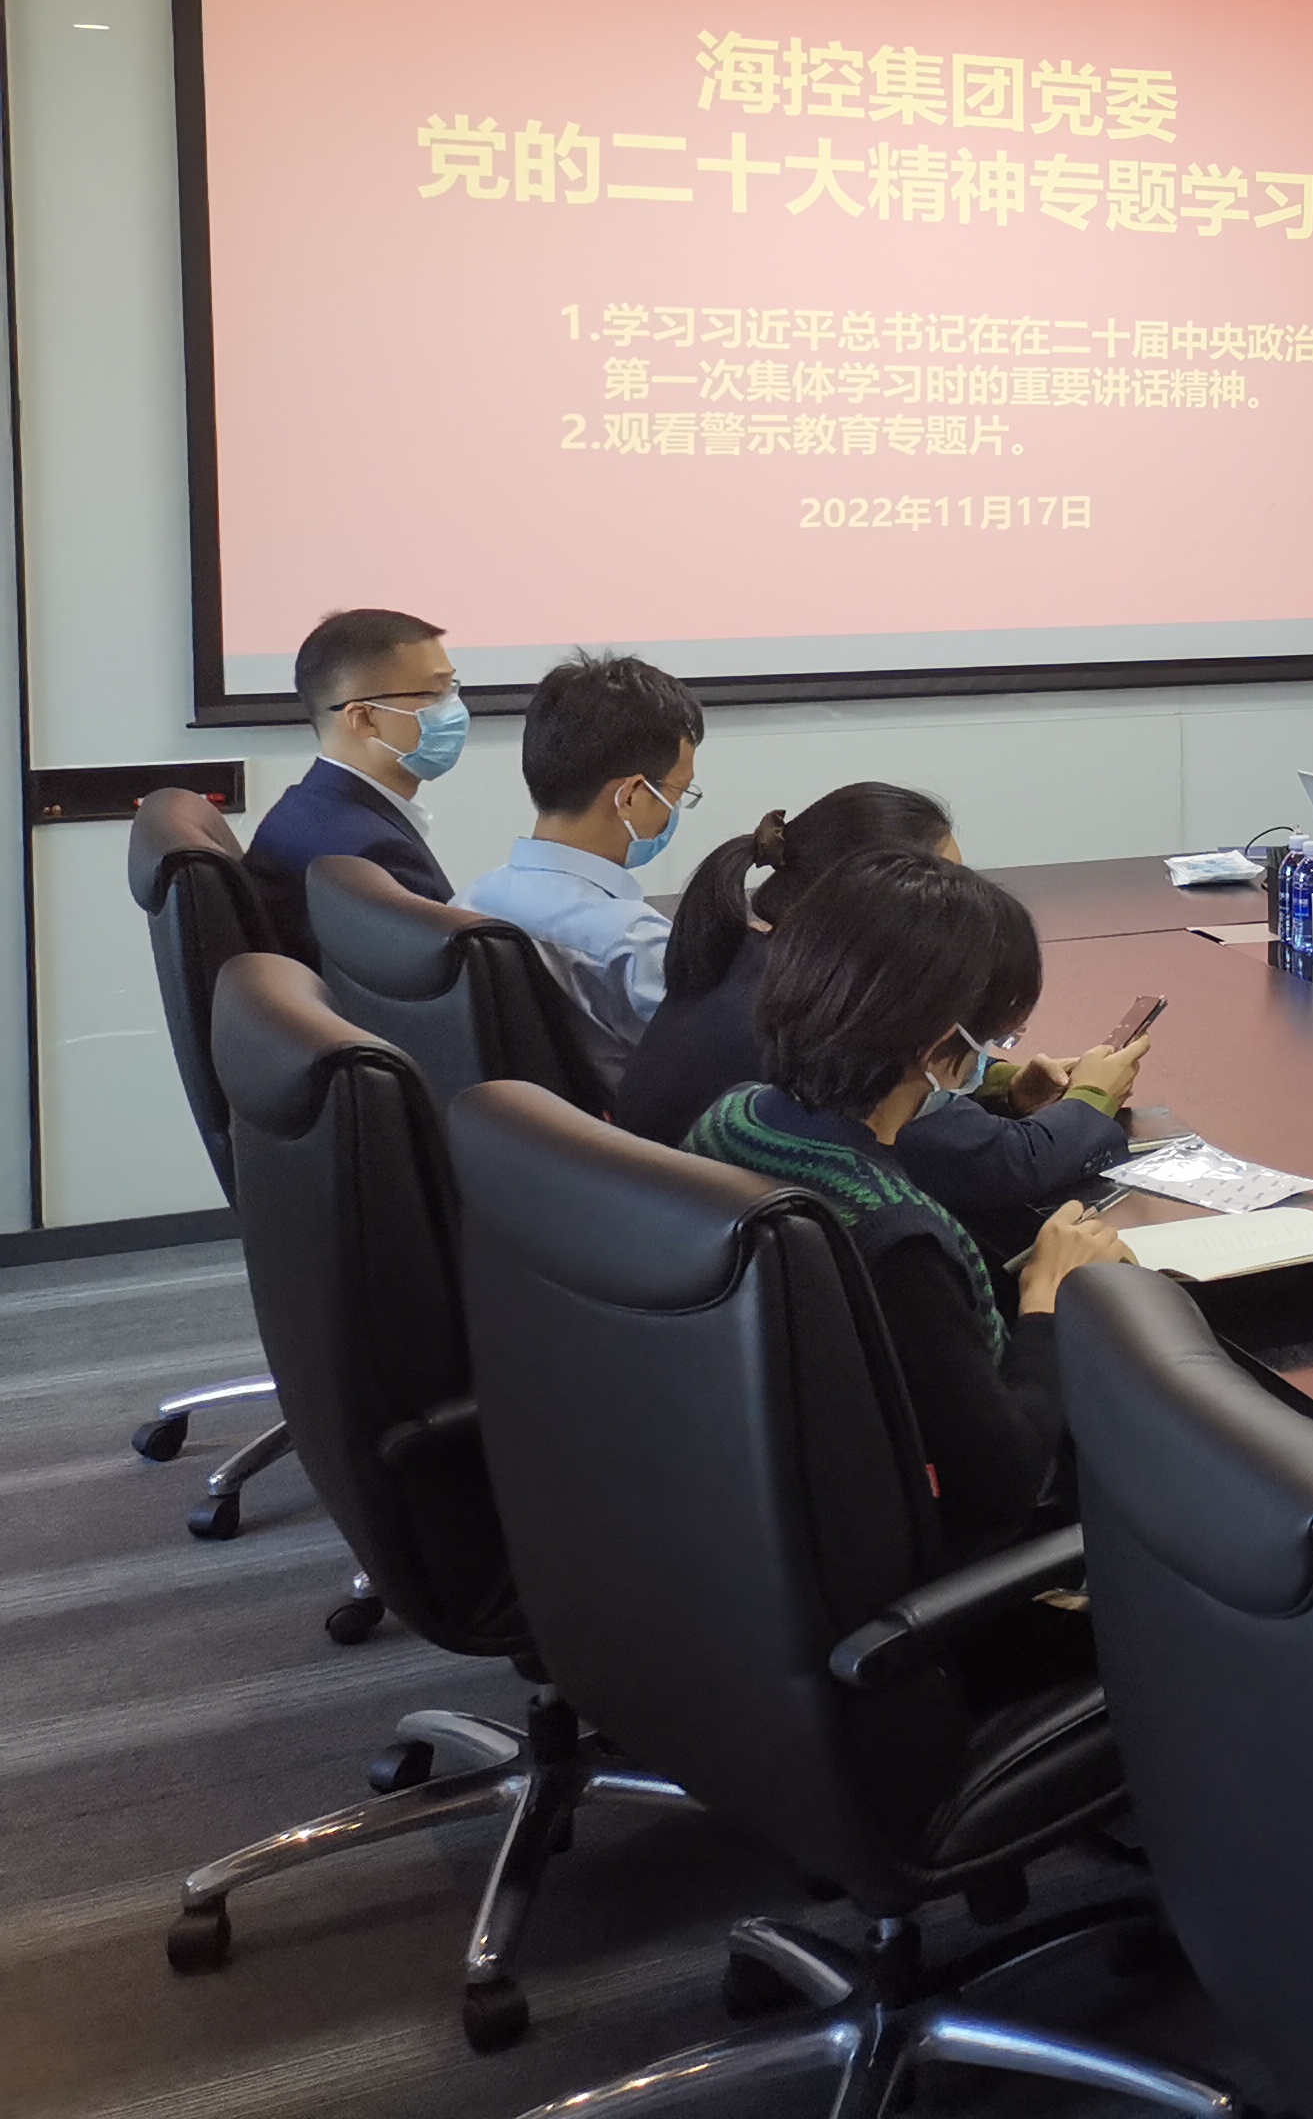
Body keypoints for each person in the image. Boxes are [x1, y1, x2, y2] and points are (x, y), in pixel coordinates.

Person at [686, 850, 1135, 1563]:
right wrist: (1048, 1293)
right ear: (939, 1047)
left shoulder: (730, 1118)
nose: (994, 1055)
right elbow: (1004, 1480)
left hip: (761, 1512)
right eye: (995, 1038)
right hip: (936, 1567)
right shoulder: (895, 1236)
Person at [614, 781, 1151, 1258]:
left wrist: (1000, 1085)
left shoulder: (763, 962)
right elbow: (1004, 1166)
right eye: (938, 888)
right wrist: (1093, 1096)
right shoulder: (840, 1034)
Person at [463, 649, 702, 1090]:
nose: (675, 810)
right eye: (678, 792)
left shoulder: (472, 898)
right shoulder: (635, 943)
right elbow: (715, 1064)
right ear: (631, 796)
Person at [247, 607, 460, 962]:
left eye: (452, 687)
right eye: (435, 693)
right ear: (362, 719)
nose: (454, 708)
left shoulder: (303, 807)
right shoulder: (374, 853)